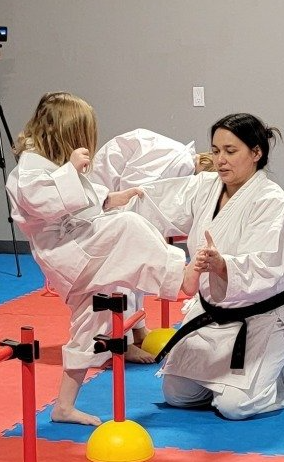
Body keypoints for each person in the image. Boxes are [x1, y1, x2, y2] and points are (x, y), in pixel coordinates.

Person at [5, 91, 200, 426]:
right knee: (128, 226)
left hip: (75, 250)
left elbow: (80, 198)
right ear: (65, 133)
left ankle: (64, 406)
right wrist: (71, 171)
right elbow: (43, 203)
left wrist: (110, 198)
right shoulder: (29, 169)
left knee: (92, 320)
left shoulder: (47, 165)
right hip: (67, 251)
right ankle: (178, 277)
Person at [125, 113, 284, 420]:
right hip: (213, 313)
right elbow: (158, 204)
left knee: (234, 407)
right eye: (216, 150)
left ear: (256, 153)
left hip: (260, 319)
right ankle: (224, 383)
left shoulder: (271, 202)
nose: (220, 160)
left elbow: (267, 267)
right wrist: (116, 205)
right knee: (177, 395)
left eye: (230, 151)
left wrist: (223, 265)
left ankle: (272, 382)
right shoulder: (206, 187)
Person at [91, 129, 215, 363]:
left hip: (113, 196)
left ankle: (137, 330)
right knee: (126, 270)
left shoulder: (180, 160)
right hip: (103, 201)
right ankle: (123, 342)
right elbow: (136, 197)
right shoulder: (178, 164)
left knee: (139, 267)